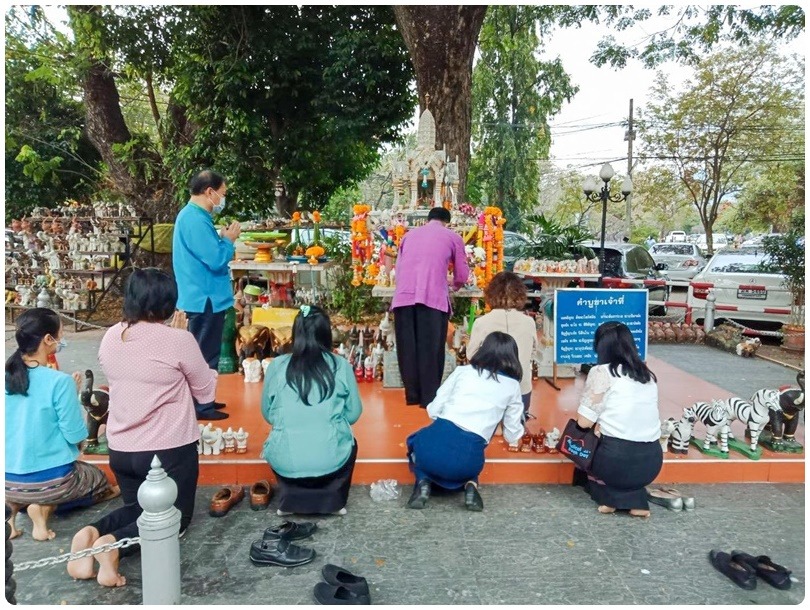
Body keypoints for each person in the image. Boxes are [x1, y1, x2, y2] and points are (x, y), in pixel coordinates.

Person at [67, 268, 218, 587]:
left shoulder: (111, 335)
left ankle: (91, 533)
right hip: (167, 451)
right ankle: (111, 547)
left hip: (121, 448)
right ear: (168, 302)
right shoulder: (178, 340)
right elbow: (205, 391)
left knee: (139, 508)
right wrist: (182, 340)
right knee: (173, 520)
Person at [5, 308, 118, 542]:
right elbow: (75, 435)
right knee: (98, 481)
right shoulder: (60, 382)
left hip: (6, 481)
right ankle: (44, 509)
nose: (62, 339)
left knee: (21, 486)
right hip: (52, 481)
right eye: (60, 334)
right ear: (48, 339)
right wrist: (71, 397)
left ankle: (11, 514)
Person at [405, 332, 525, 512]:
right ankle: (471, 485)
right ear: (513, 357)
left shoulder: (463, 372)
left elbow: (433, 410)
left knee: (416, 441)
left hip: (432, 450)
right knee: (469, 463)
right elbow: (512, 435)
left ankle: (423, 482)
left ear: (483, 349)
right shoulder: (512, 386)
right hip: (468, 461)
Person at [261, 305, 362, 516]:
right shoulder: (340, 365)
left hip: (285, 462)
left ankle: (289, 501)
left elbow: (268, 414)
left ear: (294, 333)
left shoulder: (276, 366)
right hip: (332, 462)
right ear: (326, 334)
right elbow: (353, 414)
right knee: (350, 441)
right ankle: (334, 501)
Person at [573, 321, 662, 518]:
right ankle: (637, 503)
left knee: (583, 436)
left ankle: (610, 499)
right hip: (652, 462)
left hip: (614, 462)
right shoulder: (646, 374)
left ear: (600, 347)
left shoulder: (601, 372)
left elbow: (583, 422)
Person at [172, 169, 241, 421]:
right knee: (203, 355)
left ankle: (205, 399)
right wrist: (229, 240)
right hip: (204, 298)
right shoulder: (194, 219)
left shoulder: (197, 217)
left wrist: (220, 237)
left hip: (203, 296)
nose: (223, 199)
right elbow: (215, 259)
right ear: (210, 192)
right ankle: (201, 406)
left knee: (207, 352)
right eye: (222, 193)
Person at [392, 206, 469, 408]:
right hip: (432, 297)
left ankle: (412, 395)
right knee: (431, 347)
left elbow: (399, 270)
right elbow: (462, 274)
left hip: (403, 297)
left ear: (428, 219)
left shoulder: (408, 236)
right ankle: (428, 398)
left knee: (407, 347)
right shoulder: (452, 237)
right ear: (447, 222)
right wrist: (455, 284)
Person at [467, 271, 539, 421]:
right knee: (515, 423)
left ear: (490, 294)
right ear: (520, 294)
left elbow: (471, 356)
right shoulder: (529, 322)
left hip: (489, 394)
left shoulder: (482, 322)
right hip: (521, 392)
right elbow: (534, 353)